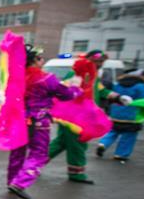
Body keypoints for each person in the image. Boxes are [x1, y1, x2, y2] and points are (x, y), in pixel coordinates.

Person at [6, 45, 81, 199]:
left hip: (18, 119)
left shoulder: (15, 78)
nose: (42, 61)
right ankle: (19, 183)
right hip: (38, 120)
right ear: (35, 60)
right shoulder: (46, 78)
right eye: (40, 58)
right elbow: (66, 95)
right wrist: (76, 89)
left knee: (17, 152)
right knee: (39, 153)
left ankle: (12, 181)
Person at [48, 49, 124, 184]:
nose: (99, 64)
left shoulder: (93, 75)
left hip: (81, 115)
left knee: (62, 142)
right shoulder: (77, 73)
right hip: (74, 116)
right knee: (78, 143)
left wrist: (118, 97)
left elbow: (102, 90)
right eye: (97, 61)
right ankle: (76, 174)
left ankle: (33, 164)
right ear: (88, 59)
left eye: (101, 62)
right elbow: (64, 91)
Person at [96, 69, 144, 163]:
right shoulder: (140, 86)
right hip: (132, 116)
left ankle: (103, 144)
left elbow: (112, 97)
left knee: (113, 131)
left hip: (116, 114)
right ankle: (120, 154)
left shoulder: (118, 84)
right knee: (128, 135)